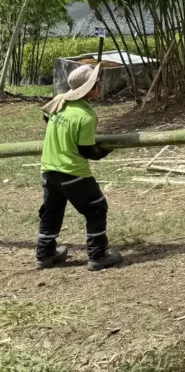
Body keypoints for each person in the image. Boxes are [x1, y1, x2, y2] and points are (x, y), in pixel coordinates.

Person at [36, 64, 122, 271]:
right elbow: (86, 151)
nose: (100, 85)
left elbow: (46, 117)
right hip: (73, 172)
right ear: (87, 88)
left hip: (49, 169)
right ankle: (97, 254)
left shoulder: (60, 102)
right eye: (96, 83)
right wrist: (106, 150)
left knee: (52, 211)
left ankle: (45, 254)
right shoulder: (86, 116)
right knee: (96, 208)